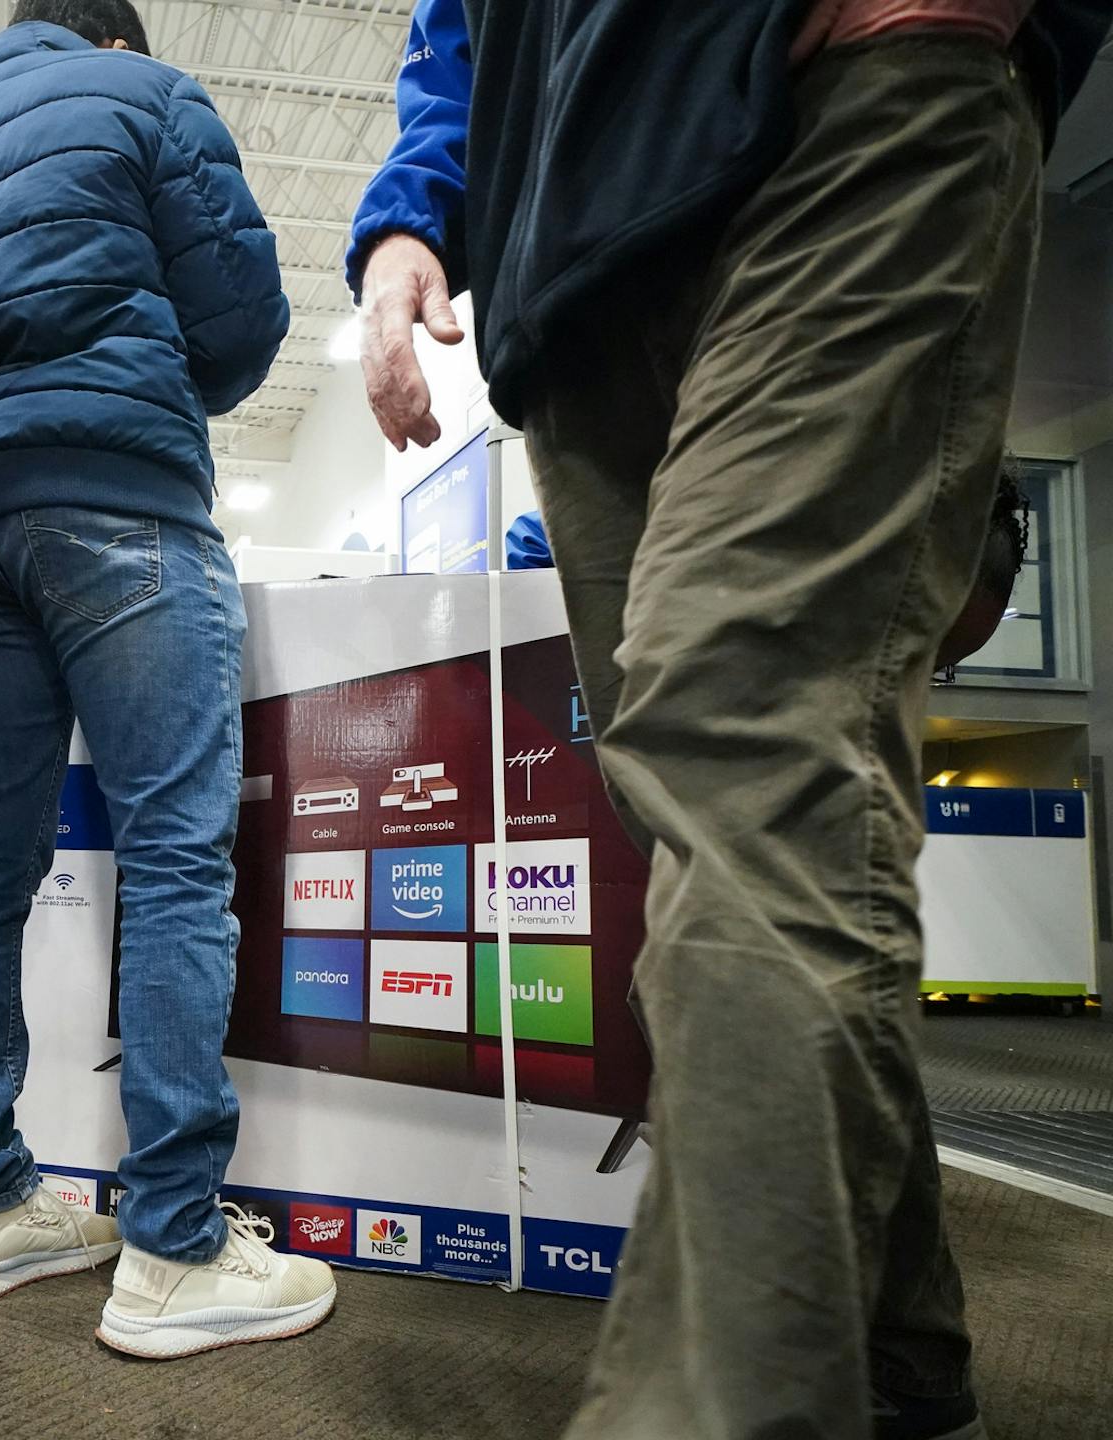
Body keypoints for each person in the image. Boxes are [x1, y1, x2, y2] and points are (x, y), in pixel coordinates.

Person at [349, 3, 1110, 1438]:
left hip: (843, 99)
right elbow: (459, 26)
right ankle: (902, 1363)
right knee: (726, 846)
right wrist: (408, 221)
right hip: (577, 278)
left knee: (738, 757)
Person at [0, 0, 329, 1360]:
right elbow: (239, 316)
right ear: (115, 40)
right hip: (119, 500)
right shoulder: (145, 94)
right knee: (174, 859)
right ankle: (173, 1246)